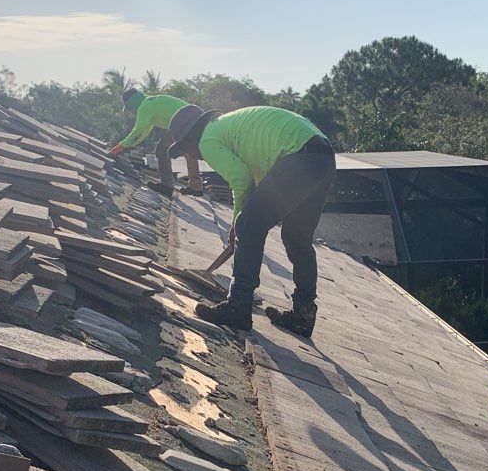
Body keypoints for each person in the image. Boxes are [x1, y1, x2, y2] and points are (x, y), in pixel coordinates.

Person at [167, 104, 336, 335]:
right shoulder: (230, 127)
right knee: (297, 238)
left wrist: (238, 221)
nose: (190, 155)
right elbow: (258, 184)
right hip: (322, 156)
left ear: (189, 139)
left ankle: (238, 306)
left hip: (298, 156)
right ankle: (303, 314)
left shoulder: (207, 139)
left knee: (248, 226)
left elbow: (241, 179)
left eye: (185, 149)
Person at [108, 87, 202, 197]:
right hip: (196, 120)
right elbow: (144, 131)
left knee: (162, 151)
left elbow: (138, 130)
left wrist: (121, 146)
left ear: (132, 102)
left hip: (182, 123)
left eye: (129, 107)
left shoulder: (145, 106)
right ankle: (196, 187)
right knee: (189, 151)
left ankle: (167, 186)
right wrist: (126, 145)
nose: (131, 111)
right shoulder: (151, 102)